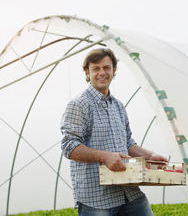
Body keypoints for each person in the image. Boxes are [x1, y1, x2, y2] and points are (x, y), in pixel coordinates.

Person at [61, 48, 167, 216]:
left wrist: (150, 156)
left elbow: (128, 143)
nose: (102, 73)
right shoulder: (79, 105)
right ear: (87, 72)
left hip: (128, 191)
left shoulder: (118, 106)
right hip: (96, 198)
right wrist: (104, 156)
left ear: (114, 70)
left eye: (106, 68)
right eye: (96, 68)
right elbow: (69, 146)